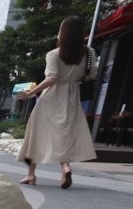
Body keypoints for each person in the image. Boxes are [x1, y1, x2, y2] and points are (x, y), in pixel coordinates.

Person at [14, 15, 97, 189]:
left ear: (63, 33)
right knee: (64, 134)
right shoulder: (88, 53)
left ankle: (31, 175)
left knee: (36, 134)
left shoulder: (53, 54)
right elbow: (91, 75)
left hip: (51, 97)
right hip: (73, 97)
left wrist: (30, 93)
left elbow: (52, 78)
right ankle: (66, 167)